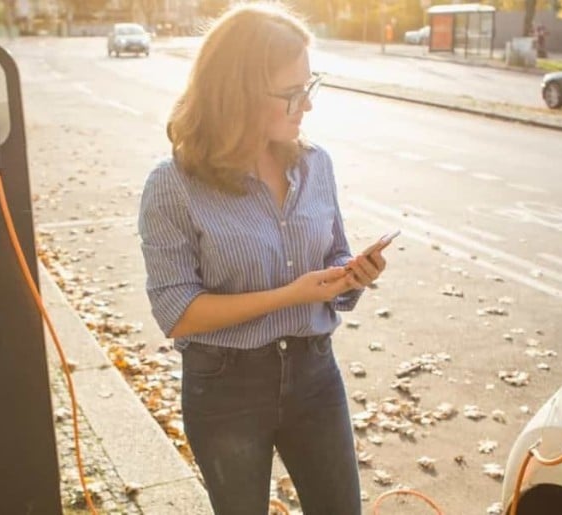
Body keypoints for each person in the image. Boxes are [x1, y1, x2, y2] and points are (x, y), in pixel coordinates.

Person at [137, 3, 386, 514]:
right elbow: (176, 312)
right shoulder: (173, 184)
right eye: (293, 94)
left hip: (315, 372)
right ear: (239, 95)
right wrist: (289, 296)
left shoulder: (317, 164)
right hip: (226, 385)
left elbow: (333, 254)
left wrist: (352, 274)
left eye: (309, 86)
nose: (307, 106)